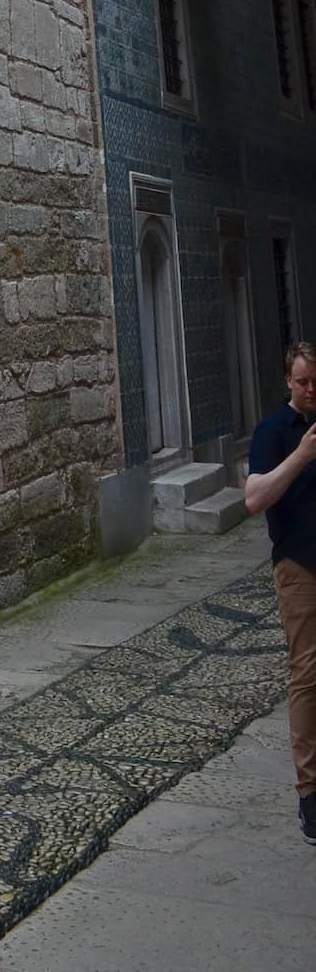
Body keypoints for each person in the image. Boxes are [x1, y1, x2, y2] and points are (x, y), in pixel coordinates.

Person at [245, 342, 316, 844]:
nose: (310, 390)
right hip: (300, 566)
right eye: (302, 382)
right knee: (308, 675)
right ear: (288, 382)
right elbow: (254, 499)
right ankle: (310, 793)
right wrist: (302, 455)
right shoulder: (274, 431)